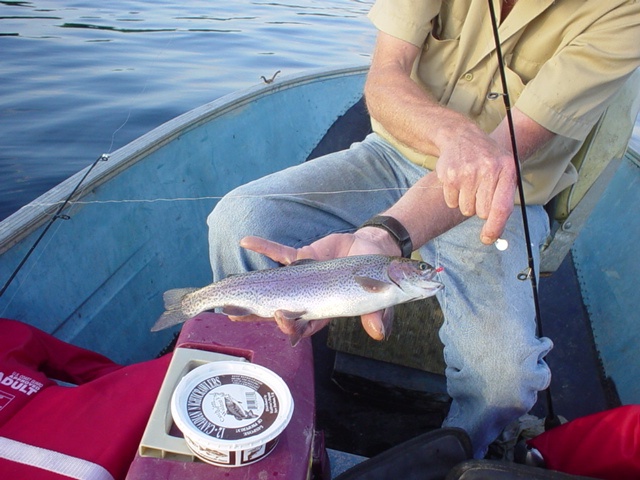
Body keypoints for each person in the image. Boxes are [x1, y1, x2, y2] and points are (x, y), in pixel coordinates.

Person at [207, 0, 640, 458]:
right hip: (388, 158)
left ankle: (458, 453)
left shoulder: (624, 12)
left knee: (505, 379)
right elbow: (385, 78)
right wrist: (454, 137)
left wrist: (381, 234)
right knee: (239, 218)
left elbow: (508, 147)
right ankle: (266, 409)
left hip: (500, 197)